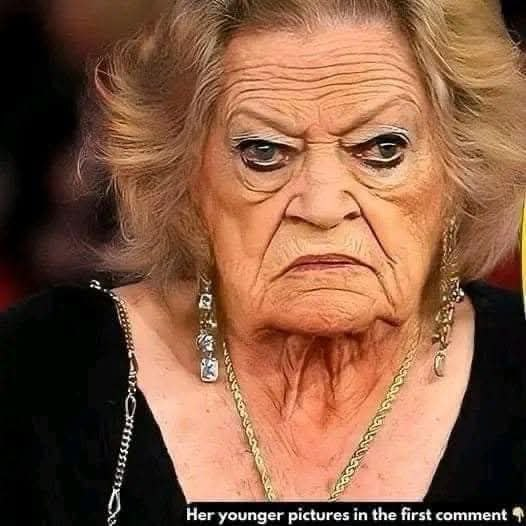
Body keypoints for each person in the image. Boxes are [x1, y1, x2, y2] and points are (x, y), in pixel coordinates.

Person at [1, 0, 526, 524]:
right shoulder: (41, 372)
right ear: (186, 180)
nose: (321, 207)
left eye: (383, 149)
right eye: (264, 153)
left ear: (461, 170)